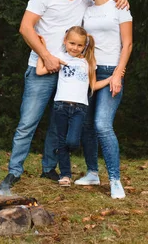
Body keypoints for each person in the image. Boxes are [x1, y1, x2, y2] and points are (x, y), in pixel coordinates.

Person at [0, 0, 128, 190]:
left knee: (58, 124)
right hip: (42, 67)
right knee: (28, 122)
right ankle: (14, 172)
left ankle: (49, 168)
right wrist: (46, 57)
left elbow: (104, 3)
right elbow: (25, 27)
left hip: (70, 72)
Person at [75, 0, 133, 199]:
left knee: (102, 124)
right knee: (86, 125)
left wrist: (118, 73)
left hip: (111, 70)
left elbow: (127, 44)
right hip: (89, 71)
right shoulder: (85, 10)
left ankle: (115, 180)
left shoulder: (119, 8)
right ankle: (92, 172)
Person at [36, 27, 111, 186]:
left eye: (79, 45)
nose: (75, 48)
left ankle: (63, 154)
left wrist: (112, 78)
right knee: (61, 141)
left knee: (73, 142)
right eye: (72, 43)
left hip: (79, 108)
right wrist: (41, 51)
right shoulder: (59, 57)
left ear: (84, 46)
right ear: (65, 41)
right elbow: (40, 70)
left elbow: (93, 85)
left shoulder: (88, 62)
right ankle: (65, 175)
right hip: (60, 106)